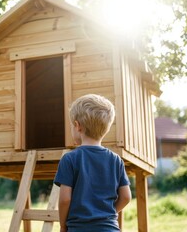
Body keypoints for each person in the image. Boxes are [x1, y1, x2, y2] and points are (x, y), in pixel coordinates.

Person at [54, 94, 131, 232]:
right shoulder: (116, 160)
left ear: (77, 126)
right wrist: (108, 213)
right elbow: (126, 197)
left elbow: (65, 200)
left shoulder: (69, 159)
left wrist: (62, 225)